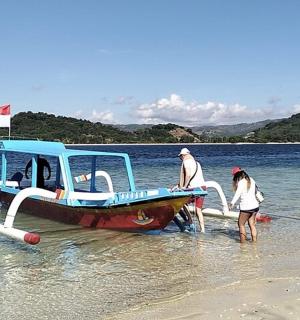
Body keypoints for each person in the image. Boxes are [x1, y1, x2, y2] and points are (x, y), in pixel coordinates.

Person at [176, 147, 206, 233]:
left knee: (182, 202)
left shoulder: (186, 162)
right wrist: (177, 185)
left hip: (193, 188)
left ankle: (189, 220)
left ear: (183, 155)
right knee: (198, 210)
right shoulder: (197, 163)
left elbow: (188, 175)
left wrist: (184, 187)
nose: (180, 158)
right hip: (202, 187)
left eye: (180, 157)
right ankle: (203, 229)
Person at [229, 167, 259, 243]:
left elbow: (237, 194)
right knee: (252, 224)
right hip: (255, 206)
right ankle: (254, 242)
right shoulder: (251, 179)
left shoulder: (241, 182)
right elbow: (256, 191)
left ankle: (243, 244)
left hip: (246, 208)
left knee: (241, 224)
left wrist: (232, 203)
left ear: (236, 176)